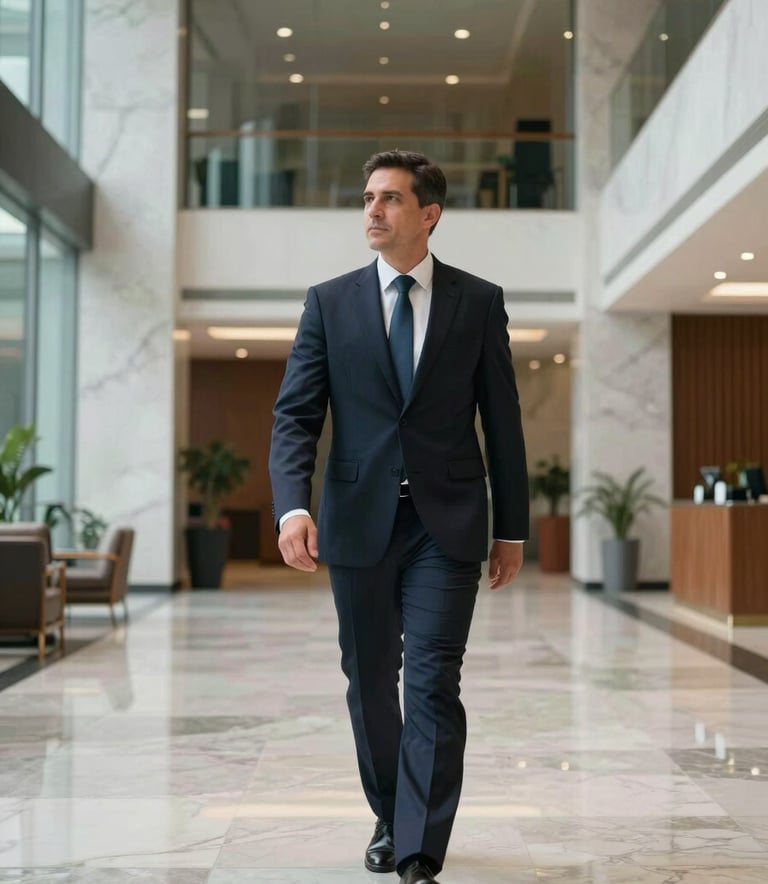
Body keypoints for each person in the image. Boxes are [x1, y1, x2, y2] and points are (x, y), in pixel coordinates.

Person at [269, 150, 528, 884]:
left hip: (445, 524)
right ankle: (390, 811)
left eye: (389, 198)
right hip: (356, 521)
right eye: (368, 197)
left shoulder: (477, 302)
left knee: (433, 683)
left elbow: (501, 423)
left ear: (428, 213)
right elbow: (296, 417)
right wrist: (292, 505)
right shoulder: (330, 302)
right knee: (369, 677)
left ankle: (417, 848)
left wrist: (510, 528)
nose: (372, 211)